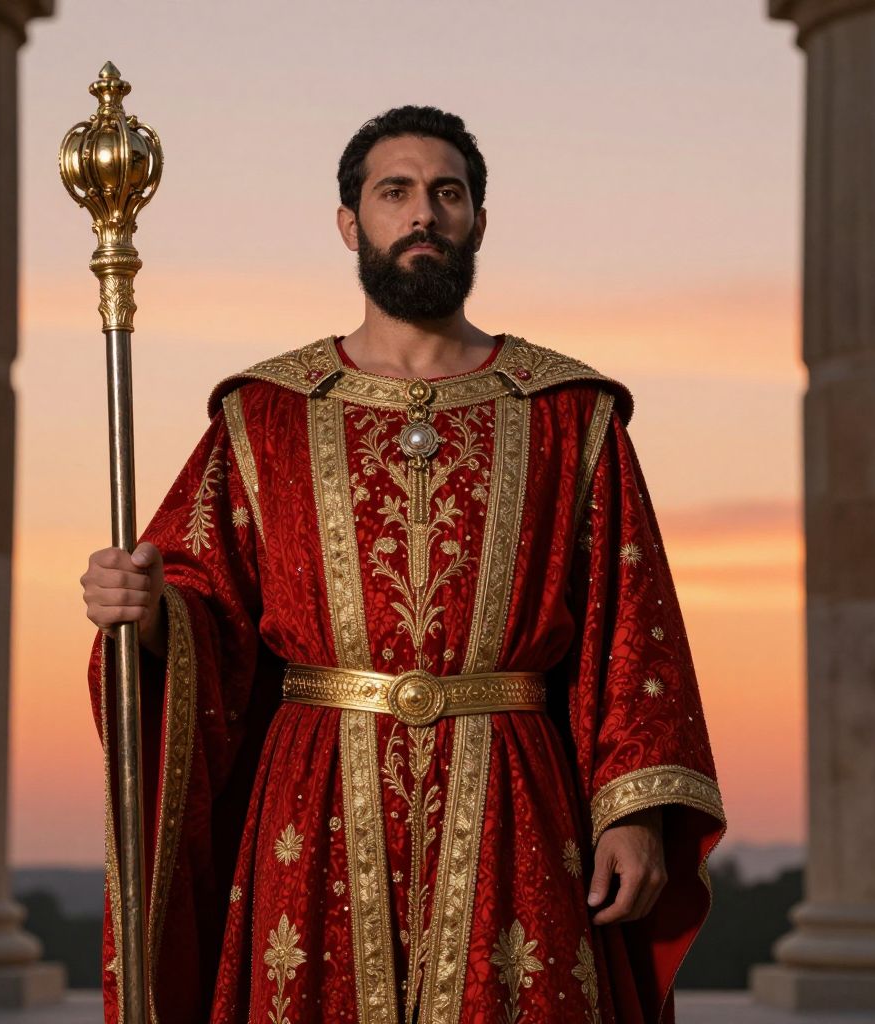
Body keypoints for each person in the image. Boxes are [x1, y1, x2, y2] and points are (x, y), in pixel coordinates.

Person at [82, 105, 725, 1024]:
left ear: (478, 222)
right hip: (315, 807)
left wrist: (634, 812)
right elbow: (203, 603)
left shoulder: (567, 411)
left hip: (515, 801)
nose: (423, 212)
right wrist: (149, 614)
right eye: (396, 192)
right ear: (351, 224)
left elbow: (635, 628)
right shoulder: (264, 414)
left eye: (446, 193)